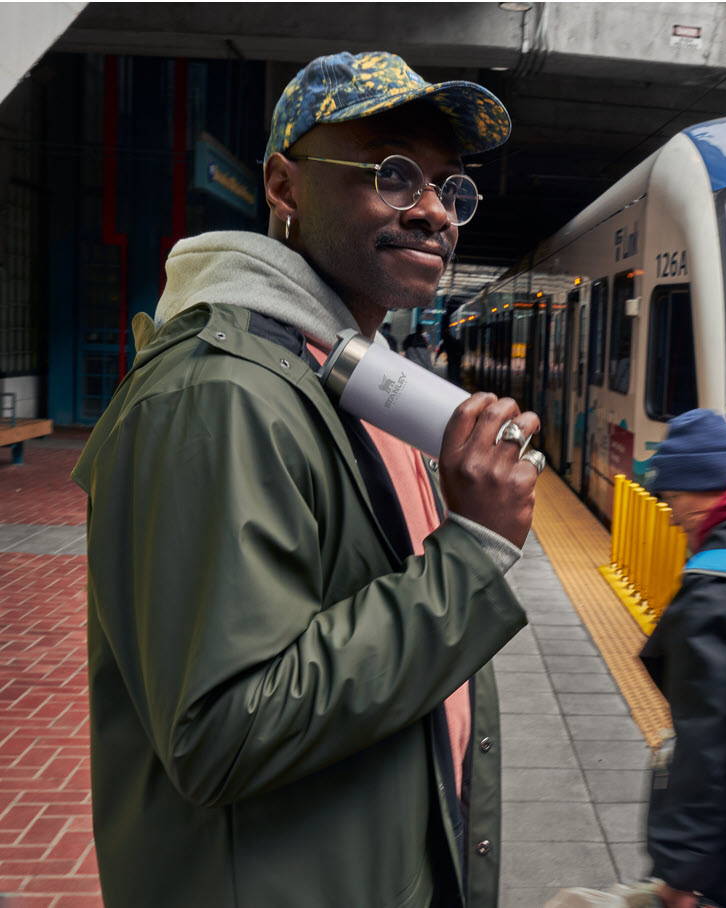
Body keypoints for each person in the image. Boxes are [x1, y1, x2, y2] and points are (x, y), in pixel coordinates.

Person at [72, 51, 544, 908]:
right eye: (394, 174)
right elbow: (223, 730)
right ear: (285, 189)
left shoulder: (355, 375)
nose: (435, 211)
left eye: (450, 187)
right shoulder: (218, 395)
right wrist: (472, 553)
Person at [641, 408, 726, 908]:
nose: (673, 512)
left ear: (705, 492)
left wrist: (680, 876)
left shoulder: (716, 589)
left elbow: (707, 742)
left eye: (674, 496)